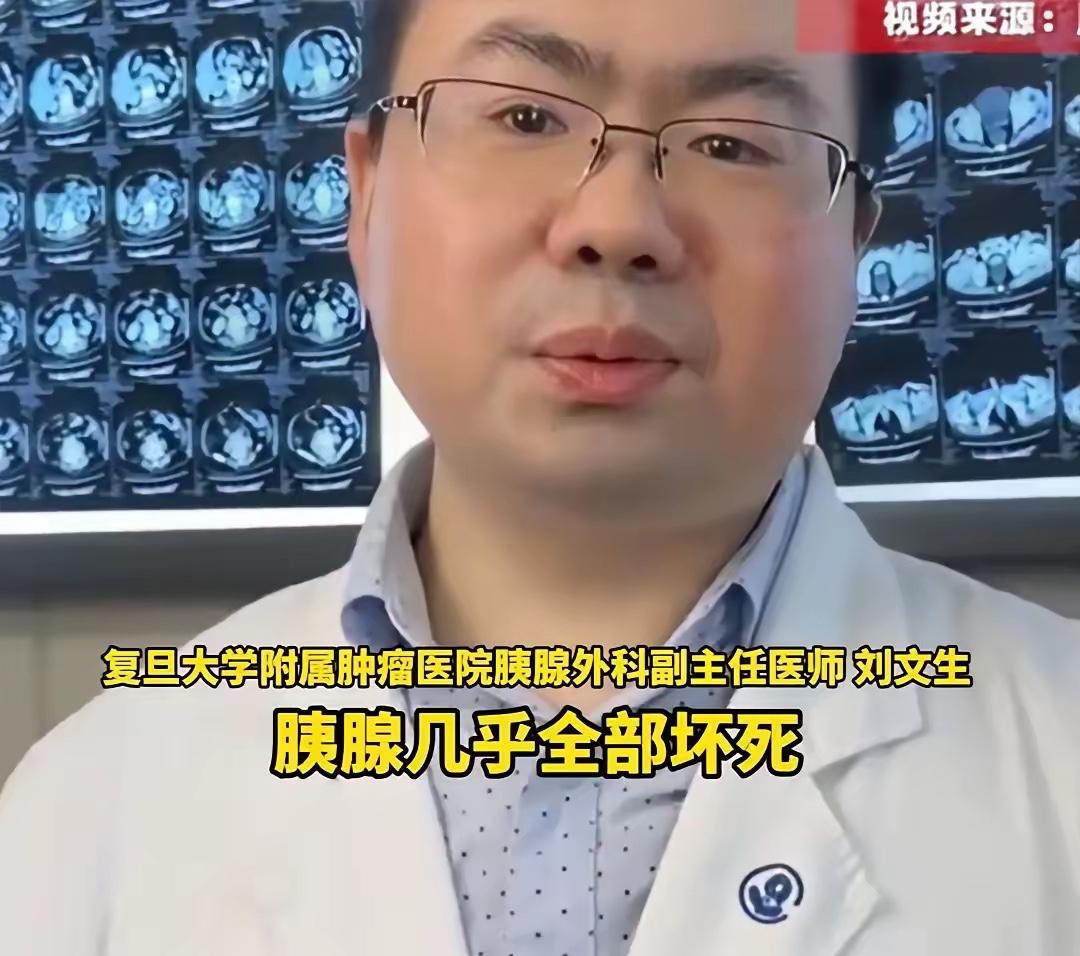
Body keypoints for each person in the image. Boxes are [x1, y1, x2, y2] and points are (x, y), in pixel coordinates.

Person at [2, 1, 1079, 953]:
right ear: (365, 192)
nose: (618, 224)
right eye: (525, 118)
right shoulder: (89, 808)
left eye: (733, 144)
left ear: (855, 243)